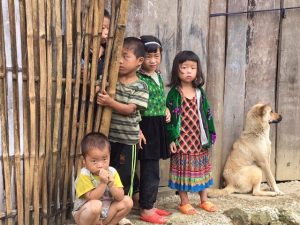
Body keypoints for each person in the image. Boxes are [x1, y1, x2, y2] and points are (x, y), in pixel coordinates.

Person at [97, 36, 148, 203]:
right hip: (108, 137)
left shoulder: (141, 86)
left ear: (139, 61)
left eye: (125, 56)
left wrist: (109, 102)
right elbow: (97, 88)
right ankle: (107, 205)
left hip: (127, 140)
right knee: (107, 171)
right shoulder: (111, 80)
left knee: (125, 174)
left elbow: (129, 109)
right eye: (117, 56)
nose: (119, 61)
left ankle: (124, 204)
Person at [166, 50, 217, 215]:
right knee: (182, 171)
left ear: (197, 71)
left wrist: (211, 133)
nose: (188, 71)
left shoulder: (199, 92)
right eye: (184, 67)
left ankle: (204, 200)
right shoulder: (174, 94)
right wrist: (171, 139)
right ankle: (184, 202)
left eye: (192, 68)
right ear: (177, 70)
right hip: (182, 140)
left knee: (202, 169)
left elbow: (207, 113)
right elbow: (169, 120)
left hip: (198, 139)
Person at [137, 35, 171, 224]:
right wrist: (138, 128)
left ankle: (149, 204)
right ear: (140, 58)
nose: (153, 61)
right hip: (145, 125)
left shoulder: (157, 75)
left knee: (153, 167)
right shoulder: (138, 77)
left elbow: (159, 98)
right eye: (148, 57)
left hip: (158, 124)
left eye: (156, 56)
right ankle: (146, 209)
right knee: (149, 168)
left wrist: (165, 109)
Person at [72, 132, 133, 225]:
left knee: (127, 201)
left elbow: (120, 197)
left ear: (109, 156)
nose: (100, 165)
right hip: (85, 215)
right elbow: (91, 198)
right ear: (84, 161)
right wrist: (103, 183)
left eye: (104, 159)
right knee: (96, 205)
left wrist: (111, 184)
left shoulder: (112, 172)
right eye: (94, 161)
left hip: (105, 214)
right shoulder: (85, 174)